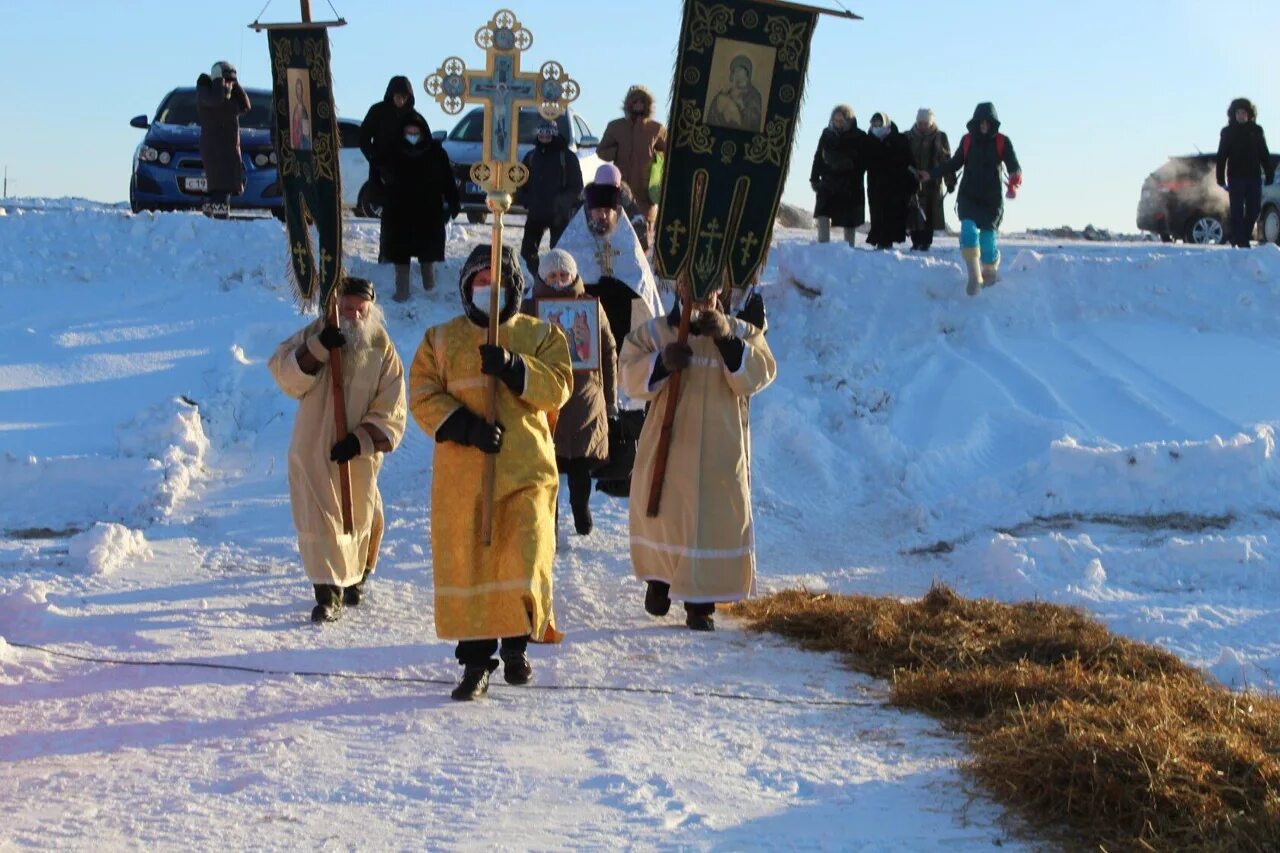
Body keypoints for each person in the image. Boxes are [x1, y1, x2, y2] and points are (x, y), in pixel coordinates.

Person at [408, 244, 573, 701]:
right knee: (473, 565)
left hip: (526, 472)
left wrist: (516, 367)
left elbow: (559, 386)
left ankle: (517, 647)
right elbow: (421, 392)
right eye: (480, 282)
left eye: (497, 282)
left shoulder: (540, 335)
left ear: (514, 287)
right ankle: (476, 663)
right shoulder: (439, 340)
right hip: (465, 476)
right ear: (467, 288)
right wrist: (463, 426)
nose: (488, 290)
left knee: (522, 554)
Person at [621, 282, 776, 631]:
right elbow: (628, 374)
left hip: (719, 448)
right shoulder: (658, 331)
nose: (705, 293)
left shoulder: (739, 331)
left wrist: (727, 340)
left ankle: (700, 604)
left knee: (710, 521)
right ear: (678, 285)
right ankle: (659, 581)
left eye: (713, 287)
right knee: (665, 516)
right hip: (669, 442)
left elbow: (760, 372)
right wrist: (660, 363)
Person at [267, 277, 407, 623]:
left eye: (361, 310)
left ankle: (356, 578)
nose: (354, 317)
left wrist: (360, 440)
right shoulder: (316, 332)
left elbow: (392, 406)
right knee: (320, 521)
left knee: (364, 517)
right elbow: (285, 375)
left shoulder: (382, 348)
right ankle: (327, 595)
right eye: (347, 309)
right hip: (314, 449)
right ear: (336, 306)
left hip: (355, 456)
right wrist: (317, 349)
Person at [522, 249, 617, 536]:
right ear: (542, 277)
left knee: (579, 462)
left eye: (564, 275)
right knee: (547, 463)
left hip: (584, 397)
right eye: (553, 275)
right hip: (545, 396)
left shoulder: (590, 306)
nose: (560, 281)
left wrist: (611, 399)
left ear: (574, 276)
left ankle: (581, 507)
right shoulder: (529, 309)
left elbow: (608, 350)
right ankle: (549, 519)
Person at [555, 164, 665, 353]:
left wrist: (618, 286)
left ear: (616, 210)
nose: (602, 216)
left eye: (607, 211)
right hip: (585, 312)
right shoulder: (577, 231)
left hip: (620, 314)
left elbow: (640, 277)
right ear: (590, 210)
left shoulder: (626, 234)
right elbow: (562, 265)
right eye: (598, 211)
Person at [921, 102, 1022, 295]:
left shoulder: (1002, 141)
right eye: (980, 122)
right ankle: (974, 276)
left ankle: (990, 272)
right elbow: (954, 163)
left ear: (993, 123)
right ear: (975, 123)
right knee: (967, 230)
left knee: (987, 239)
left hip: (991, 199)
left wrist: (1013, 184)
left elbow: (1014, 166)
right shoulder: (967, 141)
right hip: (969, 195)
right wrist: (932, 174)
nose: (983, 126)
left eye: (987, 122)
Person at [380, 112, 460, 301]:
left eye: (416, 131)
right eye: (409, 131)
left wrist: (453, 203)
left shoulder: (436, 152)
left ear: (423, 132)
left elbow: (448, 180)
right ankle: (402, 294)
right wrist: (381, 199)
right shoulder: (394, 151)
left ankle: (430, 294)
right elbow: (381, 179)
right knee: (401, 259)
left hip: (428, 213)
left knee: (428, 258)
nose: (413, 134)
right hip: (401, 214)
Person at [598, 85, 667, 246]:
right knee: (618, 236)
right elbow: (601, 151)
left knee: (643, 240)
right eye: (634, 101)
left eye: (641, 101)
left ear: (647, 104)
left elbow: (667, 153)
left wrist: (656, 157)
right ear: (628, 104)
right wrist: (617, 151)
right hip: (621, 190)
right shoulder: (616, 126)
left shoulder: (656, 129)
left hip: (646, 191)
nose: (637, 104)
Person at [516, 120, 584, 280]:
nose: (545, 135)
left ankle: (559, 282)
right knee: (527, 252)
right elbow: (520, 181)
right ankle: (540, 278)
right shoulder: (531, 156)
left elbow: (577, 186)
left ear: (555, 133)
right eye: (542, 132)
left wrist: (562, 202)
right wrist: (526, 200)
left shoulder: (567, 157)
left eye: (549, 132)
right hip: (536, 213)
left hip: (559, 216)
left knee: (559, 253)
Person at [1217, 98, 1274, 248]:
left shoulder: (1256, 130)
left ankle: (1240, 237)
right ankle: (1241, 241)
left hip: (1254, 176)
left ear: (1249, 114)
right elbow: (1221, 156)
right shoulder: (1228, 132)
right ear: (1233, 114)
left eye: (1243, 113)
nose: (1241, 115)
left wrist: (1269, 173)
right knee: (1236, 210)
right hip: (1235, 177)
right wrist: (1220, 178)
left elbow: (1264, 153)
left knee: (1254, 209)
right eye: (1238, 113)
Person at [195, 61, 251, 219]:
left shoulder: (230, 97)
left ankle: (216, 215)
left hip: (230, 148)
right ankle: (217, 219)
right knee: (219, 186)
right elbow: (216, 100)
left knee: (227, 186)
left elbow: (246, 106)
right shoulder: (205, 93)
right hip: (215, 149)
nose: (227, 84)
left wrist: (236, 84)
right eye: (225, 80)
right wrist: (218, 79)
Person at [810, 105, 866, 246]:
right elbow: (818, 156)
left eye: (841, 121)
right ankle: (823, 245)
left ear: (848, 121)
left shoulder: (859, 136)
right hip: (828, 180)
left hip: (849, 184)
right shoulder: (827, 134)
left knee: (849, 219)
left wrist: (847, 163)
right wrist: (814, 178)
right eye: (835, 120)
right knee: (822, 213)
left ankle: (849, 248)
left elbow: (863, 162)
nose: (838, 123)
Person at [863, 112, 917, 250]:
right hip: (875, 184)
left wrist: (913, 181)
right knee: (877, 213)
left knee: (893, 215)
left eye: (879, 123)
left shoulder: (899, 139)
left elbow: (910, 162)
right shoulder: (868, 140)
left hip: (896, 185)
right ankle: (880, 241)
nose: (876, 126)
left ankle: (887, 242)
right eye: (874, 123)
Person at [905, 108, 954, 251]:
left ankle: (926, 242)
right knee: (913, 212)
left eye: (925, 123)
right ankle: (915, 241)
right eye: (920, 123)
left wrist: (950, 181)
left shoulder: (939, 137)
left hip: (933, 182)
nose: (922, 126)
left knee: (929, 215)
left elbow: (946, 161)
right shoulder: (908, 137)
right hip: (912, 182)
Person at [707, 55, 764, 132]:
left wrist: (741, 106)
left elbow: (754, 122)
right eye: (735, 71)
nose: (737, 74)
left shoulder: (754, 95)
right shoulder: (727, 90)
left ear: (747, 74)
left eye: (740, 70)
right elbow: (712, 113)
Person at [290, 77, 312, 151]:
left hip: (305, 142)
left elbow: (306, 130)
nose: (298, 91)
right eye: (297, 89)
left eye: (299, 89)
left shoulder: (304, 108)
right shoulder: (296, 108)